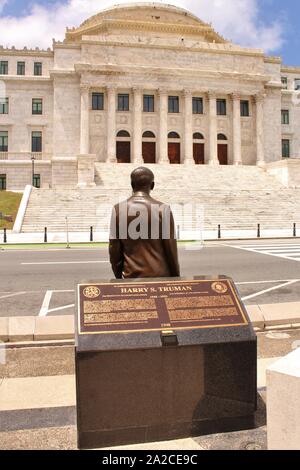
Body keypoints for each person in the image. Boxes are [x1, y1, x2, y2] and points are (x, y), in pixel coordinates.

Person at [109, 167, 180, 279]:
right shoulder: (163, 209)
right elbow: (170, 250)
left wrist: (118, 276)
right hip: (160, 276)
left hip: (131, 276)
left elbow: (114, 250)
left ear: (132, 184)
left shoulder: (118, 210)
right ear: (152, 185)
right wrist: (176, 275)